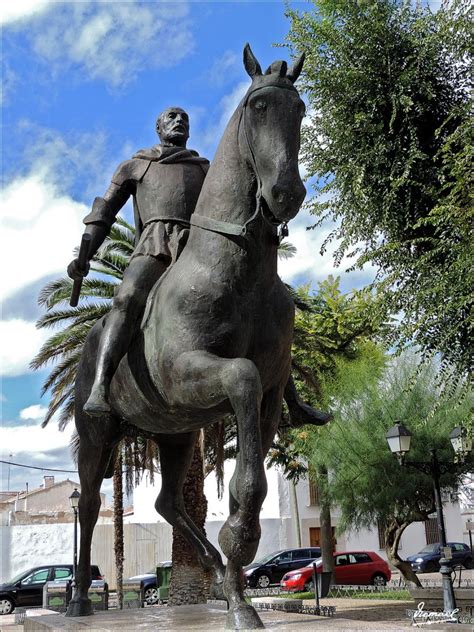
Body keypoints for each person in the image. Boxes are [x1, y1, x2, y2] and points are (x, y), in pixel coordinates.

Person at [67, 107, 209, 416]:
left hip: (199, 248)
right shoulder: (135, 166)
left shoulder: (204, 169)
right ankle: (101, 386)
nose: (179, 121)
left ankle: (284, 394)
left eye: (184, 118)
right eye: (171, 117)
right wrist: (85, 256)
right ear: (158, 128)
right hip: (155, 245)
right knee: (128, 298)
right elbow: (103, 214)